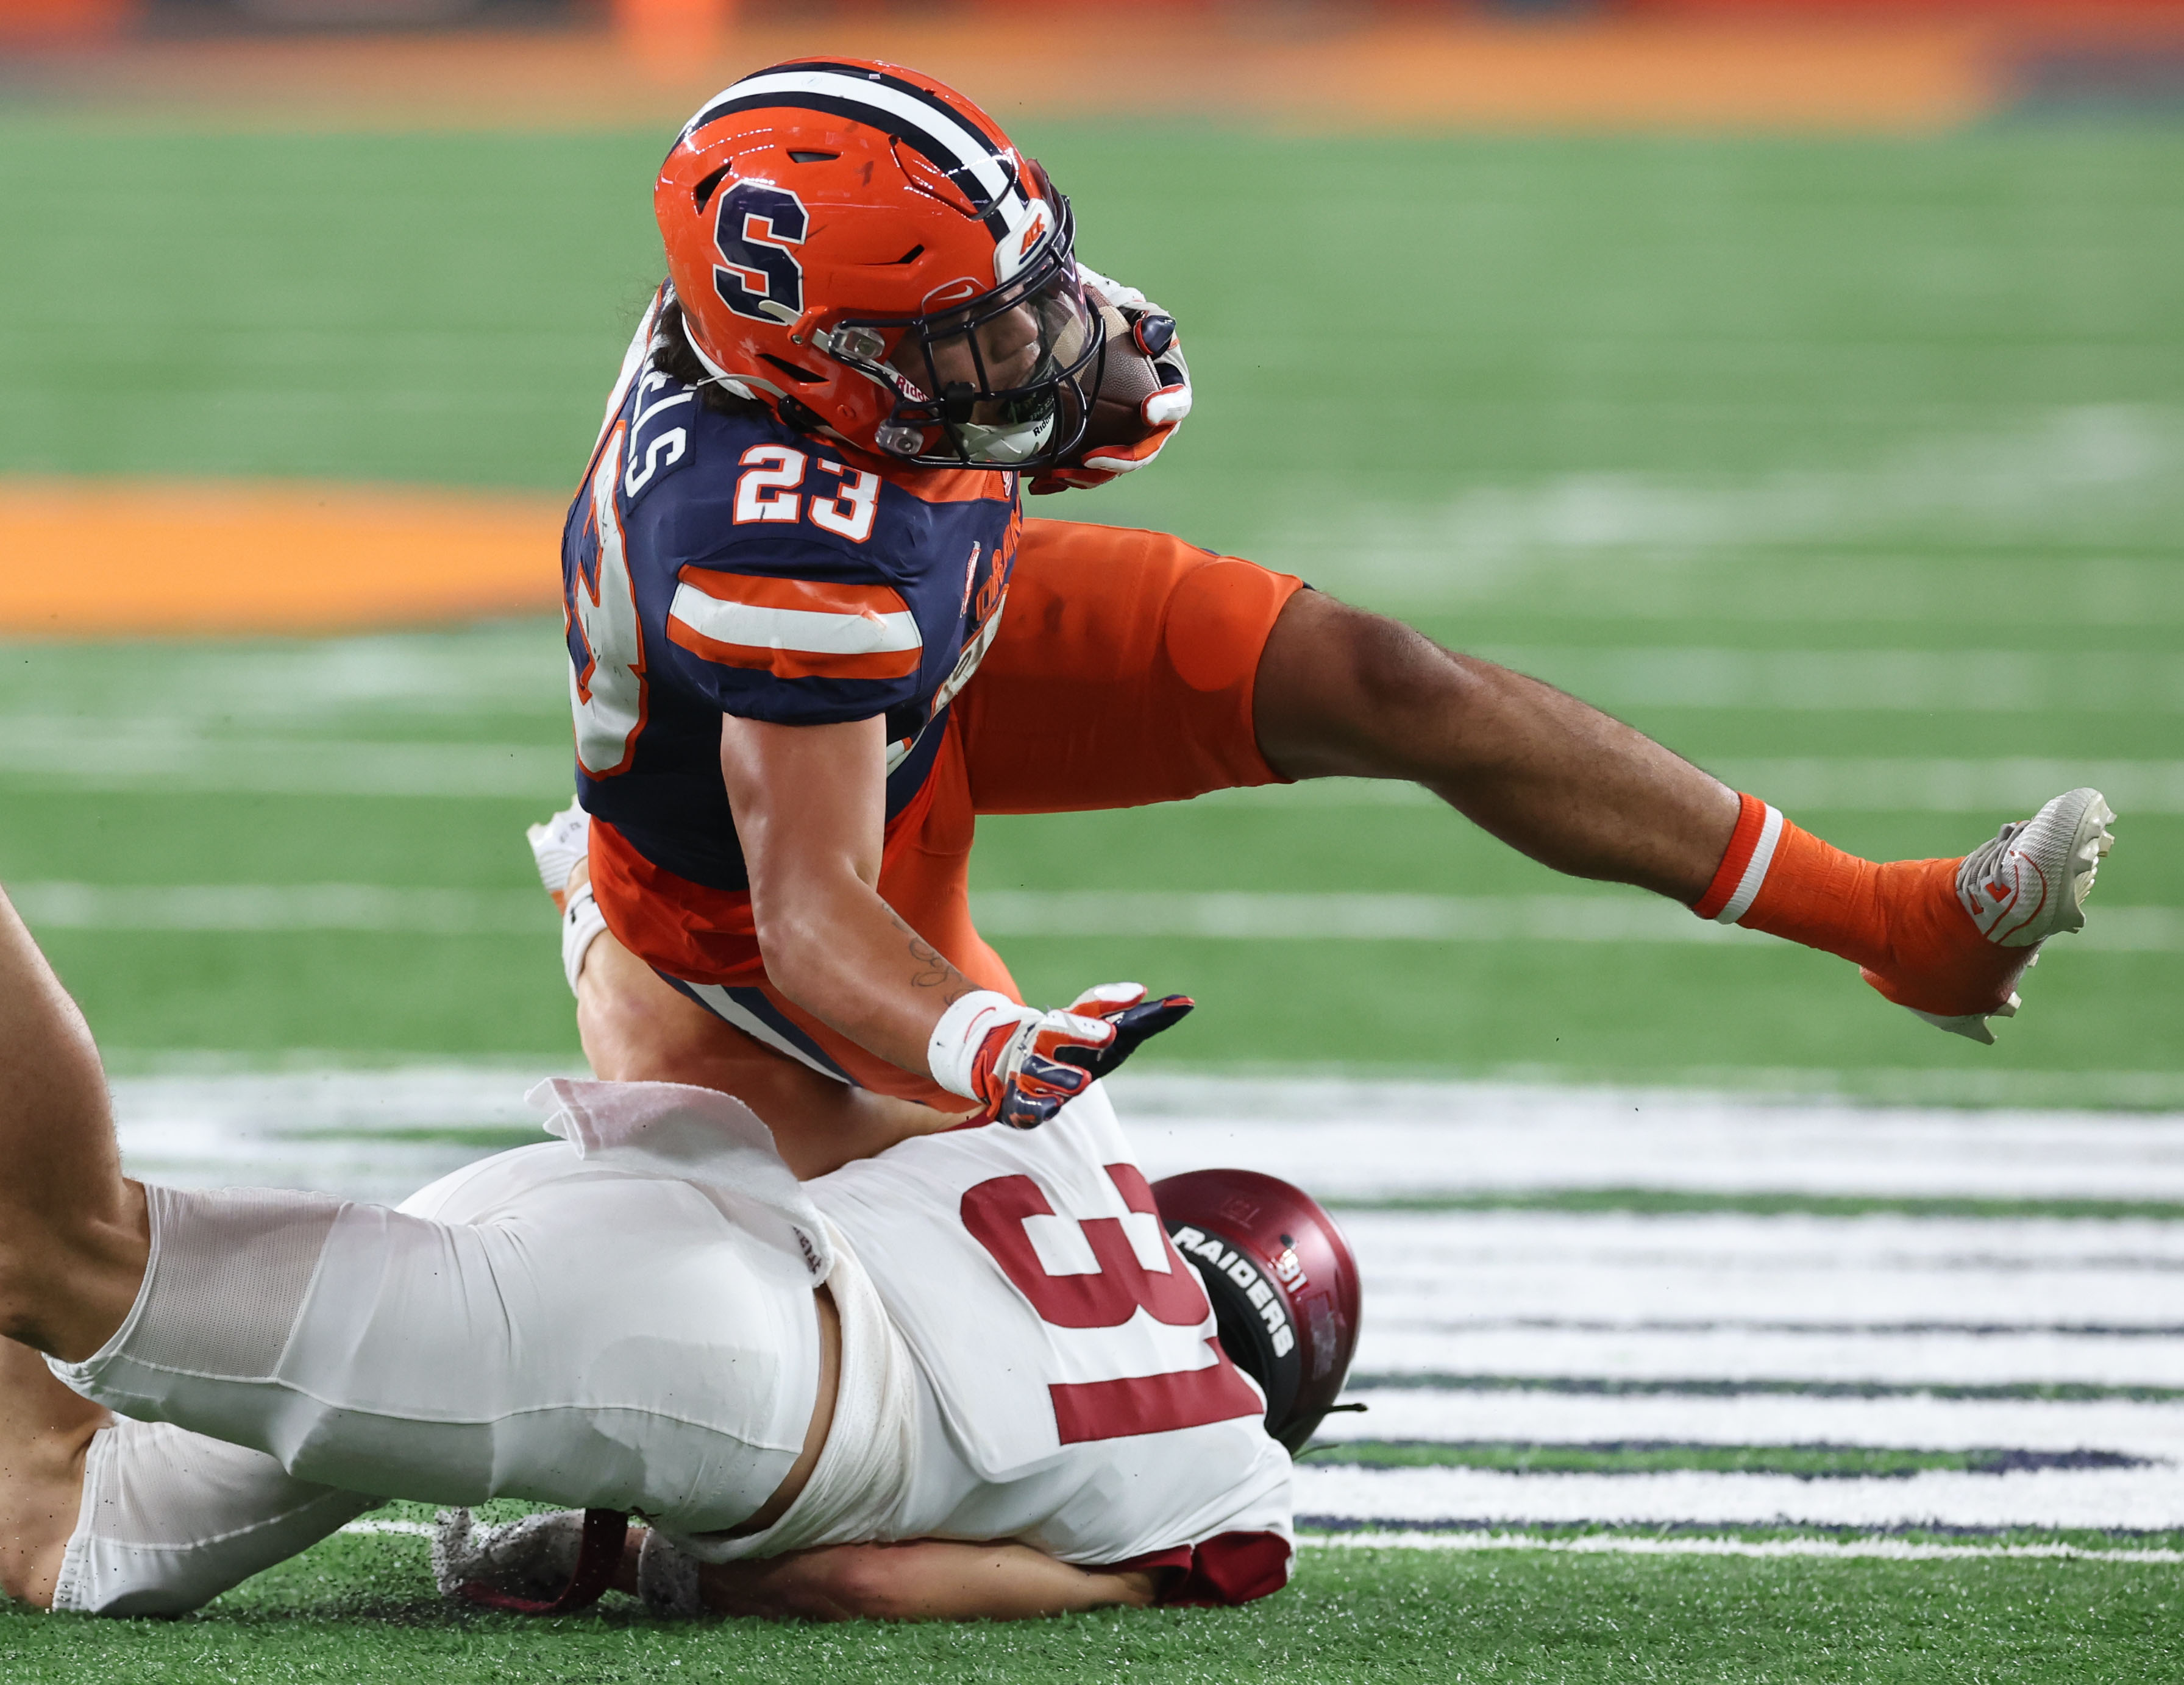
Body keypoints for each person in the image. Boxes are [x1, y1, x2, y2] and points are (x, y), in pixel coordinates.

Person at [560, 58, 2118, 1133]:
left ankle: (1899, 927)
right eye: (976, 335)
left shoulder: (826, 350)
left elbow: (1068, 393)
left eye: (1022, 296)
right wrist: (985, 1039)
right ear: (817, 363)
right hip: (778, 890)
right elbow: (817, 904)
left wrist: (1006, 365)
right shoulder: (776, 548)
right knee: (1050, 1276)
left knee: (1384, 680)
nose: (1033, 347)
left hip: (928, 666)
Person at [0, 881, 1356, 1622]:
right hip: (688, 1371)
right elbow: (856, 1578)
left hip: (620, 1200)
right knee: (60, 1255)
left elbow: (779, 1085)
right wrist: (661, 1556)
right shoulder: (1224, 1494)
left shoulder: (1072, 1140)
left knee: (67, 1524)